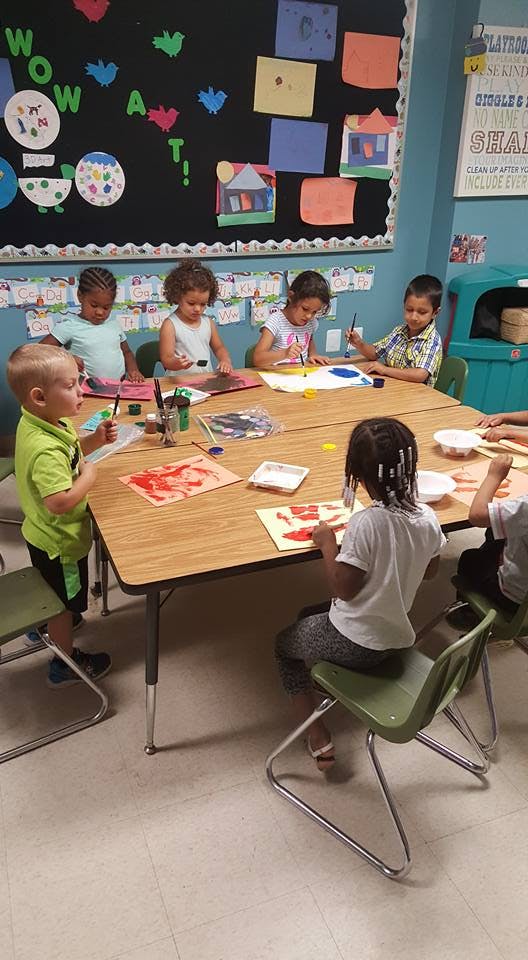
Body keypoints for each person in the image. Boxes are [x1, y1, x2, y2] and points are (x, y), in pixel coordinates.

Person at [275, 417, 445, 770]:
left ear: (360, 477)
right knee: (307, 615)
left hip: (357, 642)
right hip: (396, 635)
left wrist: (327, 544)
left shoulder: (367, 522)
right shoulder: (428, 516)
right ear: (409, 466)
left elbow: (343, 590)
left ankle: (316, 733)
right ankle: (326, 680)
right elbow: (431, 571)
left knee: (282, 647)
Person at [6, 343, 116, 687]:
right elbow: (59, 501)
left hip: (41, 534)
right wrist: (90, 476)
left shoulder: (45, 422)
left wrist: (94, 441)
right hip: (61, 541)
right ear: (39, 396)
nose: (81, 391)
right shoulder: (45, 449)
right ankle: (64, 664)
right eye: (70, 386)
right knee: (65, 605)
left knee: (53, 592)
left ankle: (45, 626)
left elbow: (71, 451)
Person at [447, 454, 526, 631]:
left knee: (471, 558)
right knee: (496, 531)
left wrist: (494, 476)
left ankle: (471, 614)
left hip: (513, 599)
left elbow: (477, 515)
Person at [41, 266, 144, 382]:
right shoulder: (69, 326)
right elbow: (39, 352)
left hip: (117, 389)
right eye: (94, 305)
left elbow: (127, 352)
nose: (100, 312)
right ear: (80, 296)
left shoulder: (114, 325)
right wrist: (66, 359)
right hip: (84, 392)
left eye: (106, 307)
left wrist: (133, 370)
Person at [345, 274, 443, 386]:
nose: (413, 317)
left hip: (416, 397)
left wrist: (384, 370)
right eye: (409, 310)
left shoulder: (432, 340)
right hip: (393, 390)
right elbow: (374, 353)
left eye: (421, 312)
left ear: (435, 313)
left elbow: (419, 375)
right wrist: (359, 343)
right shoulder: (399, 332)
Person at [160, 259, 232, 375]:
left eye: (203, 304)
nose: (198, 309)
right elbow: (166, 359)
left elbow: (219, 347)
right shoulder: (170, 325)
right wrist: (176, 363)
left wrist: (225, 360)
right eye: (191, 303)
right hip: (179, 383)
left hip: (204, 381)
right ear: (178, 297)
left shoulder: (208, 322)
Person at [253, 270, 332, 368]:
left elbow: (309, 339)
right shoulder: (275, 322)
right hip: (277, 376)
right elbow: (257, 359)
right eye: (305, 309)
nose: (309, 316)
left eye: (314, 312)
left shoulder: (310, 322)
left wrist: (313, 354)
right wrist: (285, 353)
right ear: (291, 297)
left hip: (300, 375)